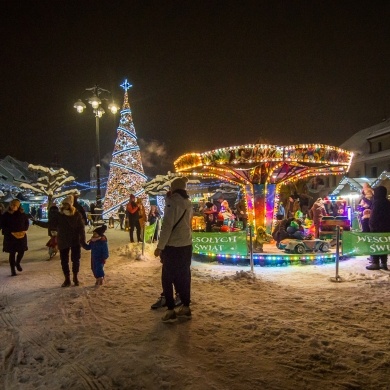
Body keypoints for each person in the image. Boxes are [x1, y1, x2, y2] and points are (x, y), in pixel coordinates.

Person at [154, 177, 193, 323]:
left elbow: (167, 226)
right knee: (184, 276)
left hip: (173, 247)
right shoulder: (188, 203)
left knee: (167, 277)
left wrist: (160, 247)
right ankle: (185, 305)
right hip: (186, 245)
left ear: (173, 188)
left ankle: (170, 309)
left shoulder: (172, 202)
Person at [51, 195, 86, 287]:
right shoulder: (59, 215)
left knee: (75, 259)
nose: (64, 205)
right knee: (64, 260)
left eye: (66, 204)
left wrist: (82, 239)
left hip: (75, 239)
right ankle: (67, 278)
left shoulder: (76, 214)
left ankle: (75, 276)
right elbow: (51, 224)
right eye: (63, 204)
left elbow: (81, 228)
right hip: (63, 239)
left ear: (70, 204)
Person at [1, 199, 30, 276]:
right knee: (12, 253)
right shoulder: (6, 215)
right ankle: (12, 270)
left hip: (21, 235)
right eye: (11, 205)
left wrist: (25, 229)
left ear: (18, 206)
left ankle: (17, 263)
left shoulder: (22, 214)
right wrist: (9, 231)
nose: (12, 206)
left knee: (21, 251)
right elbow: (2, 225)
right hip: (10, 236)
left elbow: (26, 222)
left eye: (14, 205)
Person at [367, 186, 390, 271]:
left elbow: (374, 216)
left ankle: (375, 262)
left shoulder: (376, 203)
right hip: (386, 228)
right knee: (383, 245)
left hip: (377, 228)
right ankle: (384, 263)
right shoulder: (387, 202)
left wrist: (371, 225)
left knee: (375, 245)